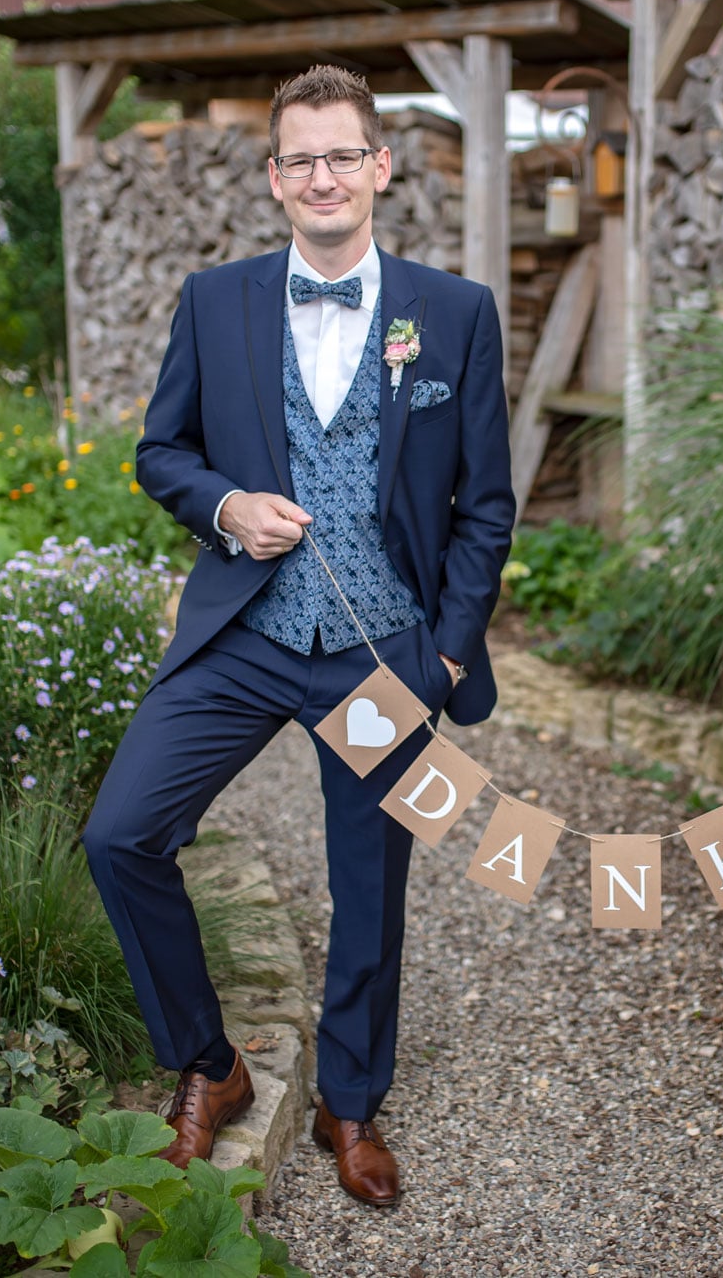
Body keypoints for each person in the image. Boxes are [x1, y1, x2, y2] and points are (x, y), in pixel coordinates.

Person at [81, 65, 513, 1207]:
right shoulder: (213, 301)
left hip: (384, 649)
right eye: (300, 159)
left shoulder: (455, 313)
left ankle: (349, 1099)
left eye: (343, 155)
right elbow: (160, 451)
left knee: (368, 884)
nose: (322, 176)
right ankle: (210, 1064)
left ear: (378, 168)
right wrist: (224, 506)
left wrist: (449, 652)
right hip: (247, 629)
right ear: (275, 179)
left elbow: (487, 504)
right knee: (122, 834)